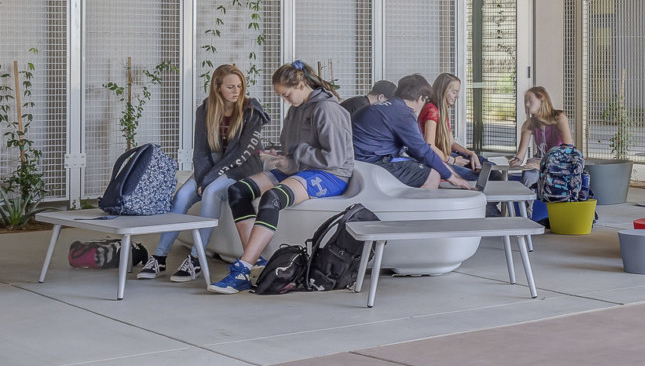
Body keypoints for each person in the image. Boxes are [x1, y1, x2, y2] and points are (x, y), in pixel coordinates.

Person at [208, 61, 354, 294]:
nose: (286, 100)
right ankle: (255, 263)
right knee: (238, 191)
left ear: (301, 84)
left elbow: (334, 158)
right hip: (300, 168)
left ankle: (242, 268)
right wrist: (279, 155)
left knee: (273, 197)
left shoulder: (327, 109)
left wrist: (296, 154)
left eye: (286, 94)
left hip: (330, 174)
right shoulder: (296, 109)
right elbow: (292, 147)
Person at [141, 64, 270, 282]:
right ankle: (160, 257)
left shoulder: (251, 111)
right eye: (230, 87)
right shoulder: (205, 110)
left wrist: (208, 180)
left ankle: (196, 260)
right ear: (217, 87)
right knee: (182, 196)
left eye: (239, 86)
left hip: (241, 169)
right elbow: (200, 151)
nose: (236, 91)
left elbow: (240, 154)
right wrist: (202, 176)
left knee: (211, 193)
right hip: (212, 166)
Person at [353, 73, 474, 190]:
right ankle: (413, 210)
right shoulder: (403, 114)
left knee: (426, 166)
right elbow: (422, 150)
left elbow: (416, 151)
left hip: (361, 159)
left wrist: (449, 170)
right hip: (371, 163)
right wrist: (453, 177)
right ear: (420, 98)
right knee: (432, 176)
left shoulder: (383, 107)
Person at [420, 72, 481, 180]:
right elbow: (429, 145)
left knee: (483, 164)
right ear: (443, 91)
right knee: (477, 177)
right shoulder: (431, 110)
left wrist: (471, 153)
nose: (457, 96)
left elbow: (451, 142)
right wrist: (452, 160)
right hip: (434, 162)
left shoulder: (441, 111)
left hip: (443, 157)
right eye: (454, 92)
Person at [508, 86, 574, 185]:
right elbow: (520, 156)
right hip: (539, 160)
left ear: (542, 99)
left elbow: (568, 149)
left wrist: (543, 165)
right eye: (525, 101)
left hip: (559, 161)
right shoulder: (529, 123)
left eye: (530, 100)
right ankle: (526, 199)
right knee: (530, 173)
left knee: (534, 172)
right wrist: (516, 161)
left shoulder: (559, 117)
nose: (527, 104)